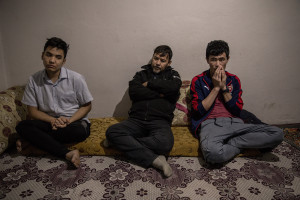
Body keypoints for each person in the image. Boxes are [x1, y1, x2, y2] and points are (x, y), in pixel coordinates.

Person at [190, 40, 283, 165]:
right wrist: (216, 87)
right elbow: (198, 110)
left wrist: (224, 88)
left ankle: (234, 142)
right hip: (211, 124)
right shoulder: (198, 80)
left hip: (235, 122)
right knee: (212, 154)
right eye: (213, 59)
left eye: (221, 59)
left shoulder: (234, 79)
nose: (218, 64)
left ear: (227, 59)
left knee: (278, 134)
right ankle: (242, 144)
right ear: (207, 60)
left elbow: (236, 110)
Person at [105, 45, 182, 177]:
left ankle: (123, 142)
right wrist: (160, 94)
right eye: (155, 58)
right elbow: (134, 91)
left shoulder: (173, 75)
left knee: (165, 144)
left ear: (169, 63)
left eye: (162, 60)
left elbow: (174, 88)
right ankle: (156, 160)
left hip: (160, 121)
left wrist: (149, 84)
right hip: (136, 120)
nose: (157, 63)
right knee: (112, 131)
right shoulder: (141, 74)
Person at [16, 37, 93, 168]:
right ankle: (67, 153)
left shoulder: (76, 78)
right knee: (22, 126)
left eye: (58, 57)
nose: (52, 60)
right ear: (42, 55)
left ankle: (36, 141)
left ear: (64, 61)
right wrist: (52, 120)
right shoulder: (33, 80)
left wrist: (69, 120)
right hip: (49, 122)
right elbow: (32, 111)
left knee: (79, 132)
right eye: (48, 55)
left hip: (73, 123)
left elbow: (87, 105)